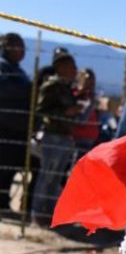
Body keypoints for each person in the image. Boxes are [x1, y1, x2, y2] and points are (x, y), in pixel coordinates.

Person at [31, 47, 80, 225]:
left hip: (65, 136)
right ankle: (38, 214)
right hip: (53, 136)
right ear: (61, 67)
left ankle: (50, 213)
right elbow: (41, 110)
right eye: (71, 66)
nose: (74, 69)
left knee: (56, 177)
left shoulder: (67, 88)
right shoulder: (52, 86)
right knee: (47, 176)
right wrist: (65, 112)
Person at [0, 33, 31, 218]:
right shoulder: (3, 67)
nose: (23, 51)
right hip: (5, 127)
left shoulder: (16, 69)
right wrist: (29, 90)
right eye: (19, 46)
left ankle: (3, 203)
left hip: (16, 129)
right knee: (3, 168)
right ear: (7, 46)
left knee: (10, 170)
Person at [71, 69, 100, 161]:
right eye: (86, 80)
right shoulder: (75, 96)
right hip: (79, 137)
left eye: (91, 81)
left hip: (90, 137)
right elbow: (81, 119)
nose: (90, 84)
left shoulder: (91, 97)